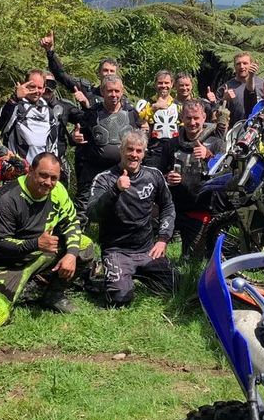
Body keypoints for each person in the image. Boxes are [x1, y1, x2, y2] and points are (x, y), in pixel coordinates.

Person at [0, 153, 87, 317]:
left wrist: (71, 254)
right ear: (31, 170)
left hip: (41, 254)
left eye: (54, 178)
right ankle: (29, 289)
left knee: (84, 245)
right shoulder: (7, 199)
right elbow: (0, 246)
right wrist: (36, 244)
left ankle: (53, 294)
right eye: (43, 175)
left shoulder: (58, 190)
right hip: (5, 263)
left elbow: (71, 222)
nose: (48, 183)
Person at [88, 131, 176, 307]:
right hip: (117, 250)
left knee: (176, 286)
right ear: (121, 150)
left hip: (147, 249)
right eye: (130, 149)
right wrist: (115, 190)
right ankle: (107, 271)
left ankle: (138, 273)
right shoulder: (104, 179)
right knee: (120, 299)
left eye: (139, 151)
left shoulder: (154, 175)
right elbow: (92, 214)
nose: (134, 155)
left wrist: (163, 239)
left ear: (144, 153)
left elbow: (168, 206)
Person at [149, 99, 223, 244]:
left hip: (200, 210)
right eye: (188, 118)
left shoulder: (216, 144)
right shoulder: (171, 144)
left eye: (196, 118)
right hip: (173, 208)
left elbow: (224, 176)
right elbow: (158, 175)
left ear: (204, 118)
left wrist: (208, 157)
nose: (192, 122)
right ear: (181, 118)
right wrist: (167, 177)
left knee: (192, 261)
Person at [68, 75, 141, 212]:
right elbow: (78, 135)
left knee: (123, 208)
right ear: (102, 92)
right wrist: (74, 137)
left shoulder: (132, 113)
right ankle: (77, 232)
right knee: (84, 207)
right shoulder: (92, 113)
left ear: (122, 91)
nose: (114, 95)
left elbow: (141, 139)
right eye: (110, 91)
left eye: (117, 91)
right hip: (94, 170)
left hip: (122, 170)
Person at [0, 69, 71, 164]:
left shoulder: (49, 112)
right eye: (32, 87)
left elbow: (53, 145)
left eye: (40, 87)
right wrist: (15, 98)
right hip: (17, 169)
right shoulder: (15, 106)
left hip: (40, 171)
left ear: (44, 89)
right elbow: (1, 126)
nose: (36, 91)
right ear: (24, 85)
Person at [41, 30, 120, 108]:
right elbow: (60, 74)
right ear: (99, 72)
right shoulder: (87, 91)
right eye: (105, 70)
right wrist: (50, 52)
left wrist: (88, 105)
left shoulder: (122, 101)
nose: (108, 74)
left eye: (112, 71)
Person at [137, 70, 181, 142]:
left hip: (174, 147)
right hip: (153, 147)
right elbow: (138, 120)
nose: (163, 86)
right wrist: (154, 108)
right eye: (160, 83)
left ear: (172, 84)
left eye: (166, 83)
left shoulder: (178, 106)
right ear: (155, 84)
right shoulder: (147, 103)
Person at [219, 52, 262, 124]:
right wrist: (224, 100)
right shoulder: (225, 88)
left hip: (256, 129)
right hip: (235, 130)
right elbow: (215, 113)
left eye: (245, 63)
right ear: (234, 66)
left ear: (251, 65)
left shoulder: (262, 85)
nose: (242, 67)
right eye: (238, 64)